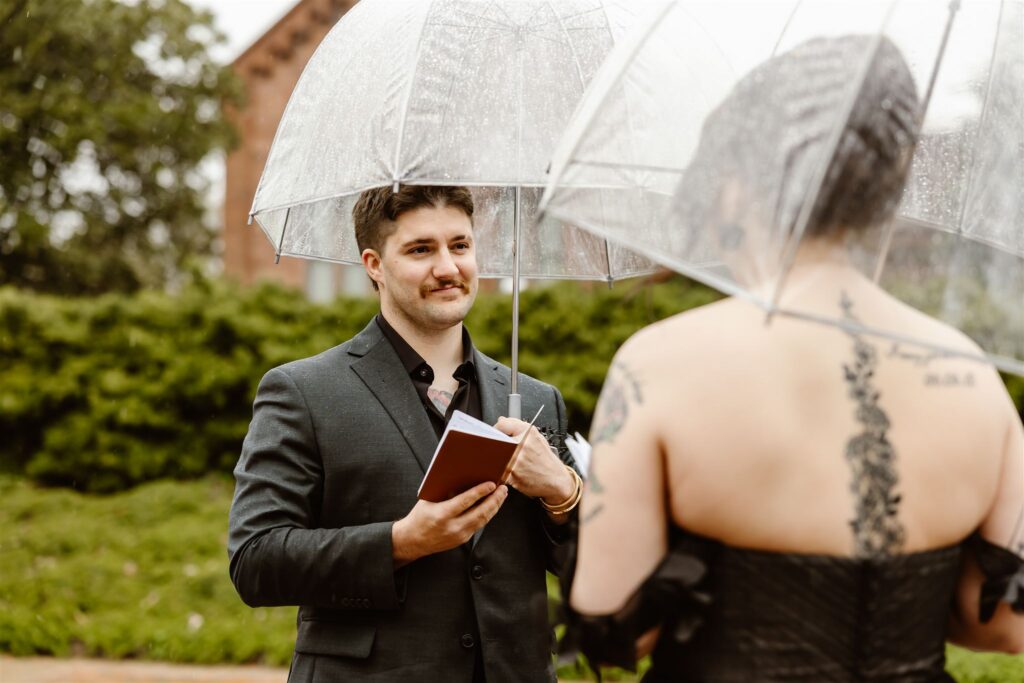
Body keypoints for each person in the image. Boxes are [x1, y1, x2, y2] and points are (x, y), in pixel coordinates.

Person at [566, 36, 1024, 682]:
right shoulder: (973, 374)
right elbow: (1004, 623)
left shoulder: (660, 365)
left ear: (736, 190)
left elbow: (614, 623)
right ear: (886, 192)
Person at [228, 185, 582, 683]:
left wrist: (563, 492)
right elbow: (256, 561)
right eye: (421, 250)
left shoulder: (536, 398)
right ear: (374, 263)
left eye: (460, 245)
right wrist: (400, 542)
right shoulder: (302, 391)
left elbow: (593, 571)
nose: (447, 267)